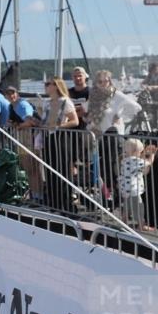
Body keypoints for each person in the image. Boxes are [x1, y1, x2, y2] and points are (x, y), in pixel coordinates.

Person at [87, 70, 142, 207]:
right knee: (103, 169)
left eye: (105, 81)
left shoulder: (116, 95)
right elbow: (88, 112)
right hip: (99, 137)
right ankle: (110, 197)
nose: (102, 84)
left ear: (110, 81)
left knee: (114, 168)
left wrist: (121, 115)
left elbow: (136, 107)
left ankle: (118, 199)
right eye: (99, 81)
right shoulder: (94, 96)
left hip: (114, 136)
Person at [40, 77, 79, 213]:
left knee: (62, 170)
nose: (46, 86)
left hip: (60, 137)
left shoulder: (65, 101)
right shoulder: (47, 103)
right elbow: (45, 120)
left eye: (48, 84)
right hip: (48, 138)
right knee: (49, 170)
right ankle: (53, 203)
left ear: (56, 86)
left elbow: (75, 121)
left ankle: (66, 204)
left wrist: (59, 126)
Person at [118, 139, 157, 231]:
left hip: (126, 189)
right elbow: (149, 162)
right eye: (140, 152)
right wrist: (153, 154)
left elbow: (140, 161)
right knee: (139, 207)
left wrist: (144, 152)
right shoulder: (135, 161)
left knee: (127, 205)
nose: (141, 154)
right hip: (134, 190)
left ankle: (123, 221)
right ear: (136, 152)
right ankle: (141, 225)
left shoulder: (125, 160)